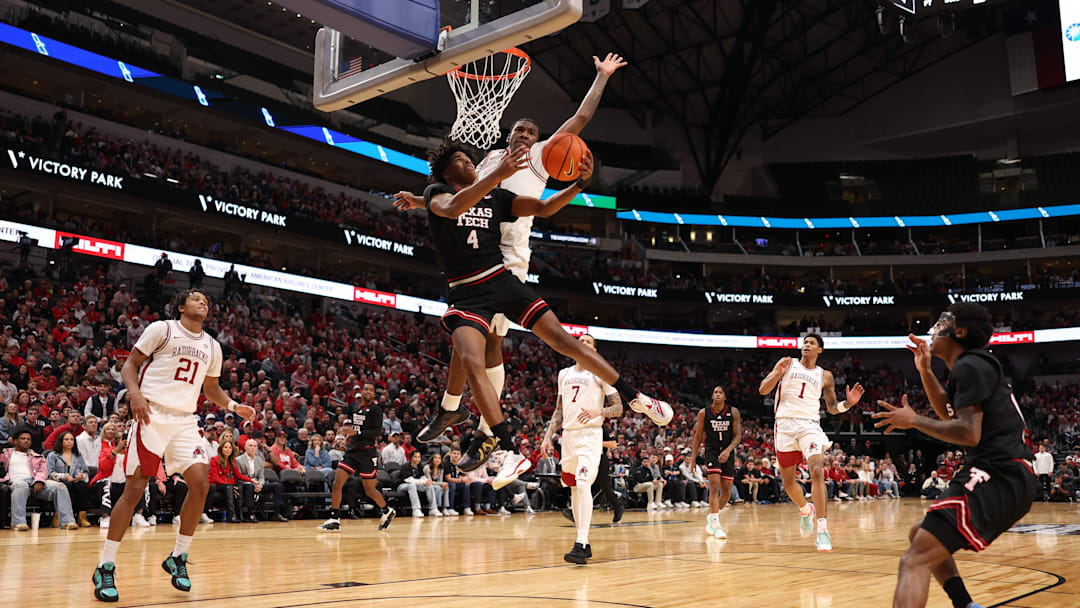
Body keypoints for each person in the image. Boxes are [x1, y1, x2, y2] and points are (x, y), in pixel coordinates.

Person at [407, 140, 672, 491]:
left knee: (564, 340)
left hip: (500, 280)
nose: (469, 164)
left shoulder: (497, 197)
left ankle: (636, 398)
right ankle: (509, 449)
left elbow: (545, 208)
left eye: (471, 160)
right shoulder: (436, 191)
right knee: (472, 360)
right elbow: (454, 206)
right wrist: (496, 175)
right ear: (445, 171)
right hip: (465, 292)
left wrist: (579, 184)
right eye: (459, 160)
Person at [394, 52, 627, 452]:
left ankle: (488, 437)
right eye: (519, 129)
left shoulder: (539, 158)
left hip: (510, 250)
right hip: (480, 246)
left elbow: (580, 120)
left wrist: (602, 77)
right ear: (508, 133)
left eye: (531, 132)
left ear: (538, 140)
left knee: (491, 343)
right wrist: (419, 201)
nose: (524, 135)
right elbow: (461, 197)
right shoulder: (489, 160)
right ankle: (454, 410)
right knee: (467, 335)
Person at [91, 289, 256, 603]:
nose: (202, 302)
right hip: (150, 413)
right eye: (195, 298)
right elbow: (130, 366)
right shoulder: (162, 329)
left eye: (206, 300)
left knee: (200, 484)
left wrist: (234, 406)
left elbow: (211, 388)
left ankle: (178, 557)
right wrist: (135, 395)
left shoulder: (212, 346)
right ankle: (105, 564)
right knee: (135, 488)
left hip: (184, 421)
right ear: (181, 306)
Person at [873, 303, 1038, 608]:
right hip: (1002, 471)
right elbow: (948, 414)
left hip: (999, 472)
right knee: (919, 535)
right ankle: (966, 604)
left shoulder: (970, 366)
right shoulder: (971, 366)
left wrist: (913, 421)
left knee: (914, 561)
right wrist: (924, 369)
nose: (933, 329)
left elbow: (967, 434)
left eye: (941, 323)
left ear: (959, 331)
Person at [758, 333, 865, 552]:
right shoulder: (786, 363)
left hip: (810, 425)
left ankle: (823, 531)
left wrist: (849, 404)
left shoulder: (825, 375)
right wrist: (777, 374)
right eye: (805, 343)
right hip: (785, 426)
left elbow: (833, 407)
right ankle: (806, 509)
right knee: (788, 483)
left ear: (820, 350)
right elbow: (763, 390)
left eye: (812, 343)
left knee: (817, 469)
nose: (807, 345)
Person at [540, 333, 624, 563]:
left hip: (590, 435)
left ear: (595, 350)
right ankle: (583, 543)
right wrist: (548, 436)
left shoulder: (601, 372)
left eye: (588, 342)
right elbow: (558, 410)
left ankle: (581, 542)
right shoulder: (563, 374)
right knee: (574, 488)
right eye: (581, 341)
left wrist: (600, 412)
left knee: (584, 481)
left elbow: (618, 408)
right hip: (568, 436)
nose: (583, 344)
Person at [318, 383, 394, 532]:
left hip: (367, 453)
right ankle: (335, 518)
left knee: (370, 490)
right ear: (361, 392)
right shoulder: (356, 408)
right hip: (353, 452)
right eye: (366, 389)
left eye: (371, 390)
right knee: (337, 483)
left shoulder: (376, 410)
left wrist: (356, 434)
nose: (368, 392)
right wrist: (345, 441)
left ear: (374, 394)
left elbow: (376, 432)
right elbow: (355, 429)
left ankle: (386, 510)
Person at [1, 426, 78, 530]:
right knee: (21, 485)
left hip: (34, 481)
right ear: (15, 441)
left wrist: (39, 480)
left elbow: (44, 470)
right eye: (23, 439)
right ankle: (18, 523)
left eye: (28, 439)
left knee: (60, 486)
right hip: (16, 482)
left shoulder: (37, 456)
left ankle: (67, 522)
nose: (26, 441)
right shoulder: (5, 454)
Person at [689, 385, 741, 539]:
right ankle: (717, 525)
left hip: (728, 452)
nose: (717, 394)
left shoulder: (733, 412)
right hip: (711, 452)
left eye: (720, 392)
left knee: (727, 492)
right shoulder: (703, 413)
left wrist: (728, 450)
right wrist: (693, 459)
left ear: (725, 397)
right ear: (712, 396)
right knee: (714, 488)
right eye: (715, 392)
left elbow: (737, 436)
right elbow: (698, 437)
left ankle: (712, 517)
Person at [236, 436, 288, 522]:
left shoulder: (259, 460)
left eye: (254, 446)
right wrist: (252, 483)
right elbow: (238, 477)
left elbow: (261, 476)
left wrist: (260, 484)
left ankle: (276, 514)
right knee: (249, 487)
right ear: (245, 447)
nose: (252, 448)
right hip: (245, 484)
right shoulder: (238, 460)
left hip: (257, 483)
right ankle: (250, 514)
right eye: (250, 446)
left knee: (277, 486)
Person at [46, 430, 92, 527]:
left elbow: (86, 472)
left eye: (71, 439)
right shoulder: (53, 455)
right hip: (58, 482)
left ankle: (82, 517)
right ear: (61, 441)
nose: (69, 441)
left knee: (83, 486)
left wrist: (81, 476)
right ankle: (58, 516)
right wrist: (64, 476)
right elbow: (49, 473)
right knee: (65, 485)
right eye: (66, 439)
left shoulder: (78, 456)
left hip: (75, 481)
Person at [207, 440, 252, 523]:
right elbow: (215, 478)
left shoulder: (232, 460)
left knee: (239, 487)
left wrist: (251, 480)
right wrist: (230, 485)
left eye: (230, 448)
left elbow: (238, 475)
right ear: (221, 449)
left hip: (228, 485)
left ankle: (239, 515)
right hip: (216, 485)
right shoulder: (214, 459)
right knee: (230, 487)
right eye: (225, 447)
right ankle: (231, 515)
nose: (227, 449)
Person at [398, 449, 437, 518]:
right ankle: (416, 509)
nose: (417, 459)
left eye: (419, 457)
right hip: (402, 486)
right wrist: (423, 481)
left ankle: (433, 508)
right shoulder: (406, 466)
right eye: (415, 457)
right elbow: (409, 480)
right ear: (411, 458)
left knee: (429, 485)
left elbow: (422, 477)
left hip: (415, 485)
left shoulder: (420, 466)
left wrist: (426, 481)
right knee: (412, 485)